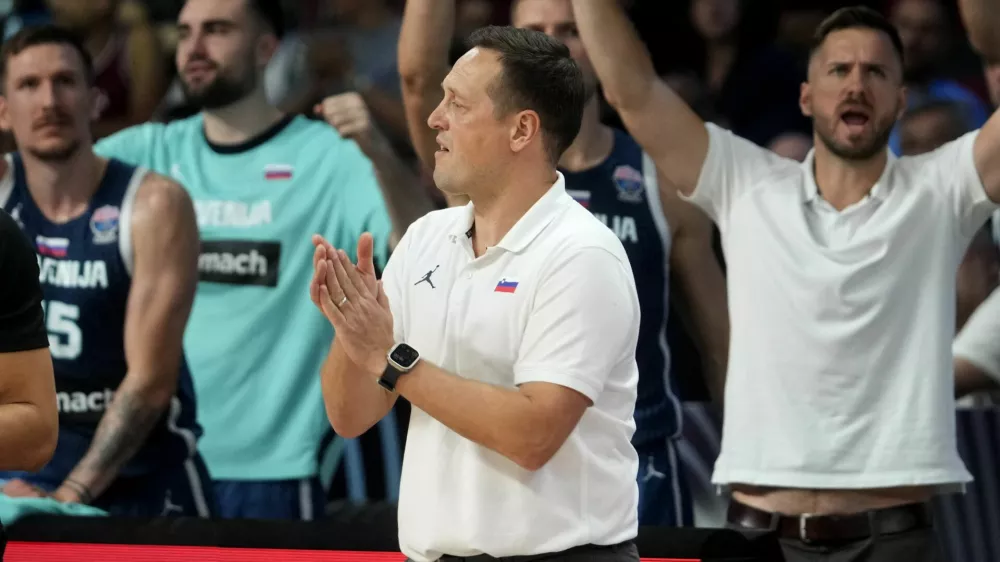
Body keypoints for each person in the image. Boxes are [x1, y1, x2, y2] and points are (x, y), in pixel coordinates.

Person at [571, 1, 1000, 561]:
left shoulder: (942, 188)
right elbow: (631, 91)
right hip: (759, 538)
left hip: (896, 540)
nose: (856, 84)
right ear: (805, 96)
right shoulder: (746, 181)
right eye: (839, 70)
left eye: (876, 72)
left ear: (900, 99)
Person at [313, 25, 641, 562]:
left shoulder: (581, 255)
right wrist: (352, 332)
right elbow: (349, 417)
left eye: (457, 104)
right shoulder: (424, 238)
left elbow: (534, 435)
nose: (433, 118)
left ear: (522, 130)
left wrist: (390, 358)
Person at [397, 0, 730, 527]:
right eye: (537, 31)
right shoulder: (479, 178)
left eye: (571, 29)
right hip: (511, 463)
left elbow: (719, 341)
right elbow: (418, 80)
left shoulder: (658, 181)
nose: (559, 46)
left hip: (638, 461)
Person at [94, 0, 427, 520]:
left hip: (276, 469)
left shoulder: (329, 156)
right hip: (159, 461)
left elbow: (418, 252)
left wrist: (378, 151)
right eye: (184, 33)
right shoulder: (149, 153)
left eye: (217, 30)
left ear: (267, 48)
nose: (194, 48)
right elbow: (41, 184)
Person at [0, 25, 212, 517]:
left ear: (95, 99)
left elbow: (149, 384)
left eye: (65, 81)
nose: (49, 100)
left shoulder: (153, 204)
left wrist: (68, 499)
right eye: (29, 85)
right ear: (4, 110)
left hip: (145, 487)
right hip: (21, 478)